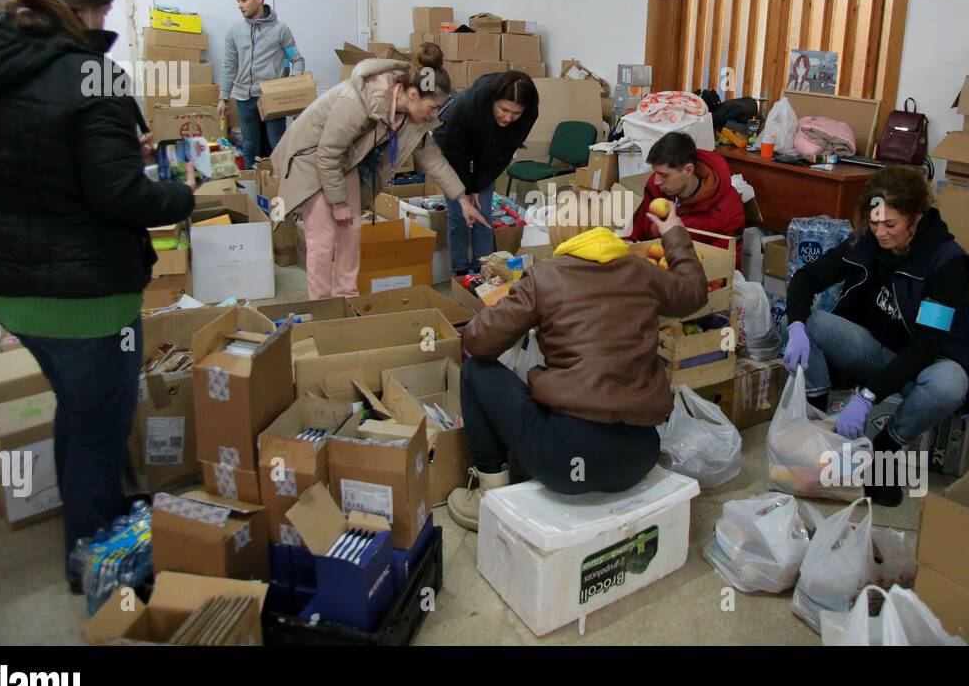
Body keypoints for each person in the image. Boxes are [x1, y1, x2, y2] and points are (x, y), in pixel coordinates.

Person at [0, 0, 197, 587]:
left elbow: (42, 156)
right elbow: (120, 196)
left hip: (8, 281)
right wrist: (179, 194)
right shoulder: (94, 79)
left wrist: (113, 147)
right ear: (83, 9)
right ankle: (95, 558)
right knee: (99, 426)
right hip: (81, 292)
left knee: (78, 409)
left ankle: (102, 512)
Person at [447, 201, 708, 530]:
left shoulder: (544, 277)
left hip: (566, 460)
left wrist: (511, 304)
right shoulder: (644, 272)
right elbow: (696, 292)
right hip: (638, 457)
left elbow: (478, 343)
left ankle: (490, 495)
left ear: (558, 234)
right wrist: (673, 234)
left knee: (476, 372)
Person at [782, 165, 969, 505]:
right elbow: (806, 278)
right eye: (874, 222)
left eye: (891, 225)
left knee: (950, 383)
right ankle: (817, 422)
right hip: (877, 350)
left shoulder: (948, 264)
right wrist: (796, 323)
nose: (881, 233)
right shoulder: (866, 243)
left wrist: (867, 397)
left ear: (916, 218)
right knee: (806, 320)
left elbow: (926, 346)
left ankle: (885, 448)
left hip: (925, 362)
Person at [271, 43, 490, 300]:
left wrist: (462, 199)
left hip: (346, 162)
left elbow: (433, 159)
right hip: (311, 160)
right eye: (432, 107)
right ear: (412, 95)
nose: (435, 115)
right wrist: (338, 201)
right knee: (323, 237)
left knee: (351, 231)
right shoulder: (358, 101)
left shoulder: (409, 114)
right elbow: (327, 154)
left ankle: (346, 295)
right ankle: (321, 304)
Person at [433, 70, 539, 275]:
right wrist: (466, 190)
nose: (508, 118)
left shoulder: (529, 113)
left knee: (482, 214)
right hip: (456, 152)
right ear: (493, 100)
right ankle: (461, 269)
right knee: (459, 216)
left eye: (516, 113)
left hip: (489, 156)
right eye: (504, 109)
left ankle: (485, 267)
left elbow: (503, 153)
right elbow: (456, 152)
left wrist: (479, 185)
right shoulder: (467, 104)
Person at [220, 0, 305, 165]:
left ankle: (280, 189)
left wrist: (291, 85)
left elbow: (296, 60)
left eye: (244, 0)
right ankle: (252, 189)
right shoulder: (234, 32)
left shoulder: (280, 30)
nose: (240, 5)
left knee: (277, 146)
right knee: (250, 147)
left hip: (271, 99)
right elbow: (229, 66)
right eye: (238, 1)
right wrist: (223, 97)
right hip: (244, 99)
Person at [627, 132, 745, 263]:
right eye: (655, 172)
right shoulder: (656, 187)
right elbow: (638, 228)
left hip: (697, 272)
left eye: (664, 175)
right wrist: (628, 242)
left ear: (688, 170)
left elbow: (725, 264)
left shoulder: (728, 206)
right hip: (653, 266)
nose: (656, 181)